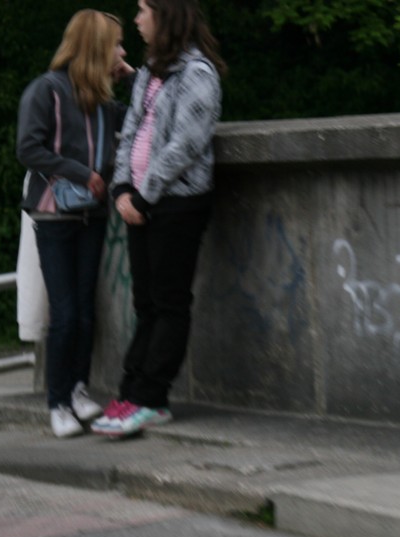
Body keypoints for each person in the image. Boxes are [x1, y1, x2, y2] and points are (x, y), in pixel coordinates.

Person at [91, 0, 226, 438]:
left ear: (165, 15)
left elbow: (185, 146)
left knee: (169, 301)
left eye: (142, 10)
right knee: (145, 303)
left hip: (178, 203)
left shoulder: (198, 74)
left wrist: (143, 196)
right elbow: (131, 132)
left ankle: (151, 398)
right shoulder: (150, 72)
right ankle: (132, 391)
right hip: (141, 202)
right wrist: (122, 188)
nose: (136, 20)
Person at [16, 10, 135, 438]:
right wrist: (82, 173)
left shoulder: (103, 100)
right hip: (54, 214)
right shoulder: (45, 90)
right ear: (96, 47)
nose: (122, 51)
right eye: (116, 44)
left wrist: (133, 78)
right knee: (65, 313)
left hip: (92, 214)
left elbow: (143, 118)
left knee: (85, 312)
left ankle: (79, 390)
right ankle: (58, 403)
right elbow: (28, 148)